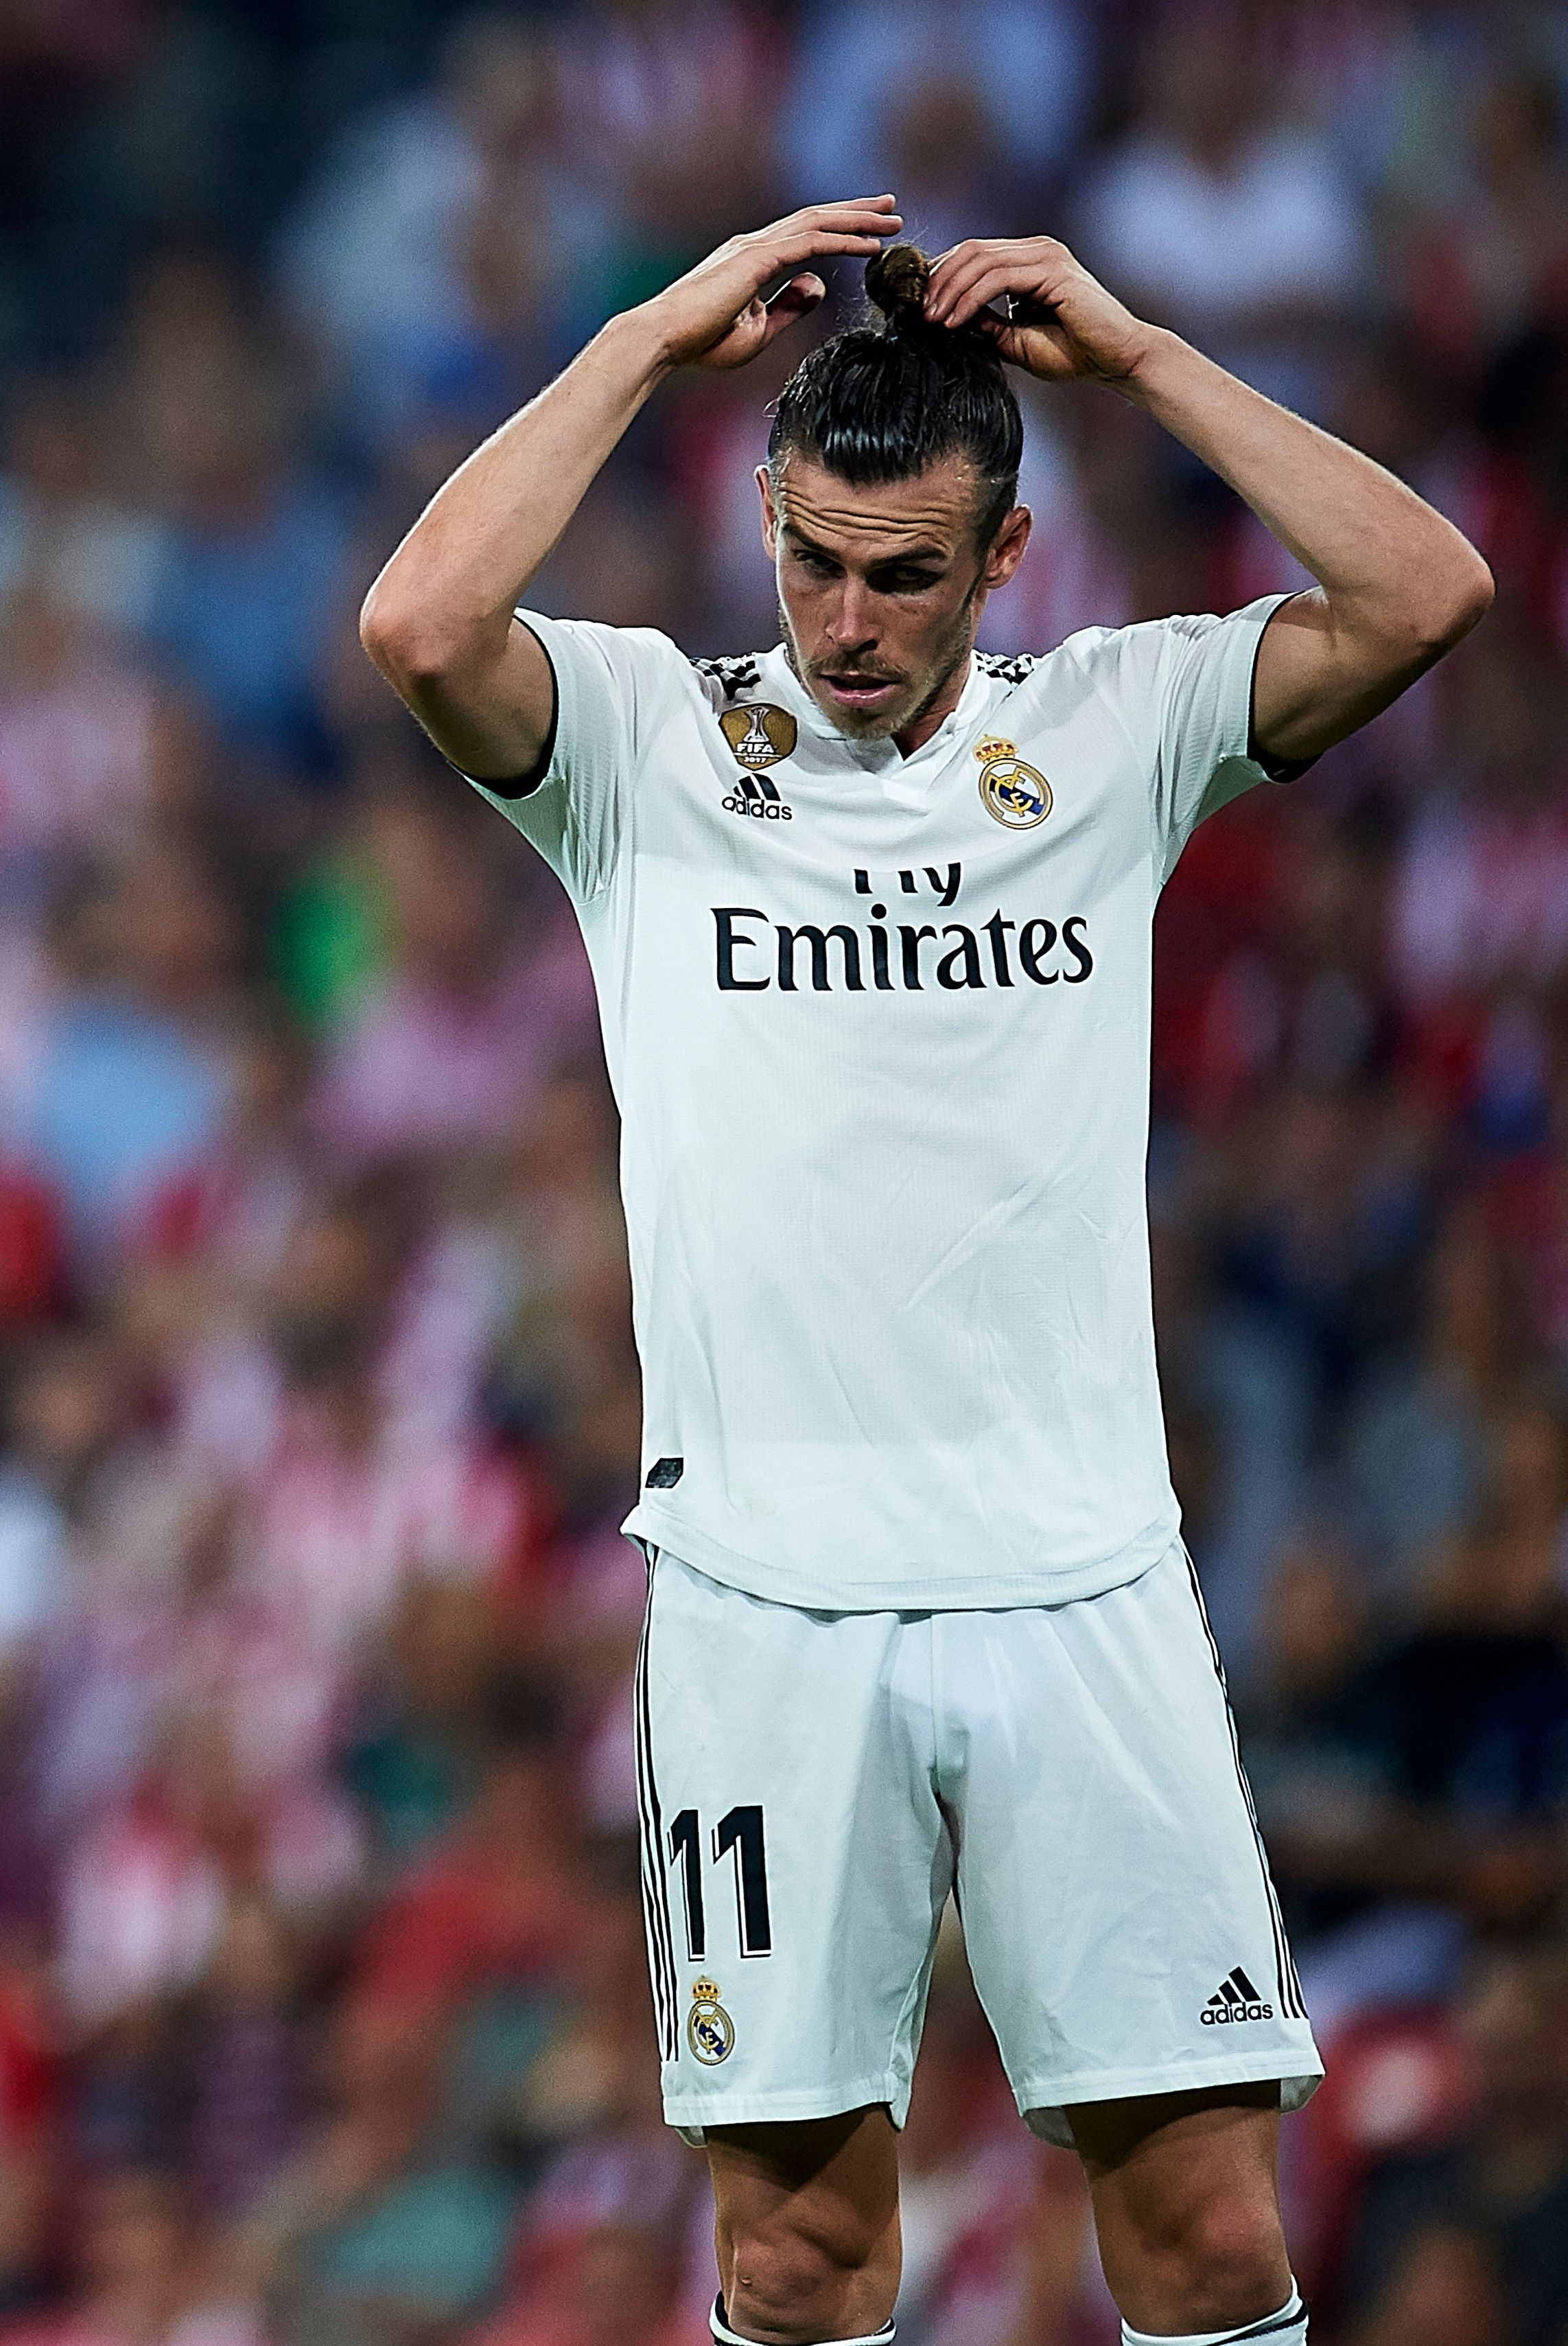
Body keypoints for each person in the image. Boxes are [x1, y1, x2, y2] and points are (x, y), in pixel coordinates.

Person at [355, 198, 1491, 2346]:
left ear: (1005, 559)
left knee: (1214, 2240)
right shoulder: (647, 749)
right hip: (768, 1598)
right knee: (796, 2258)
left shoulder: (1114, 729)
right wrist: (640, 339)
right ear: (765, 526)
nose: (848, 620)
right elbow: (420, 623)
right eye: (810, 560)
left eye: (903, 573)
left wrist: (1148, 356)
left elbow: (1429, 587)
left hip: (1084, 1578)